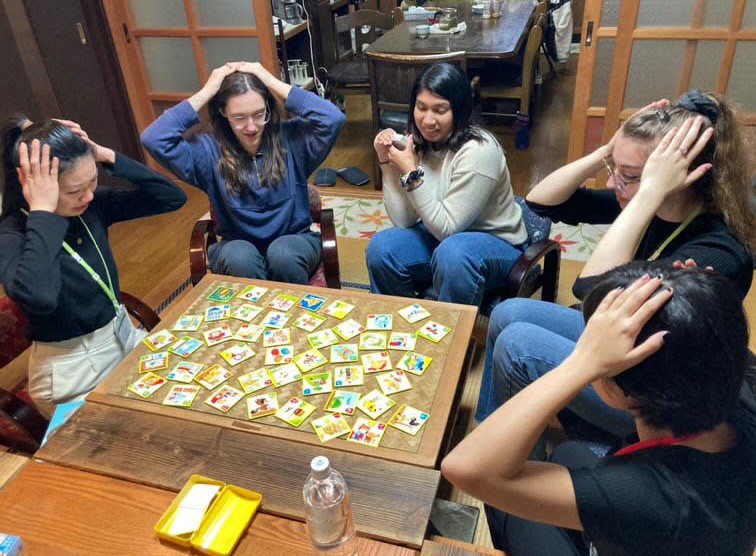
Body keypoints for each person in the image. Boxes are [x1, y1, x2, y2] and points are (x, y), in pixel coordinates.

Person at [476, 90, 754, 438]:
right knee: (508, 312)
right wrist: (607, 151)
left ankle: (512, 471)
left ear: (684, 175)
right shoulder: (657, 206)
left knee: (518, 343)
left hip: (657, 401)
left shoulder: (720, 251)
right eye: (615, 170)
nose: (613, 183)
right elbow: (540, 202)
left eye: (630, 175)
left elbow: (591, 291)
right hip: (623, 347)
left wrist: (648, 193)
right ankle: (489, 430)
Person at [444, 263, 756, 556]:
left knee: (506, 504)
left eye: (599, 360)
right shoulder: (729, 388)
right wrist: (703, 306)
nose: (585, 348)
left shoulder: (652, 495)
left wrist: (582, 363)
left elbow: (467, 468)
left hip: (668, 524)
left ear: (628, 392)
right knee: (568, 455)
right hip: (698, 529)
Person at [0, 116, 187, 414]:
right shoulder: (11, 234)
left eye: (93, 182)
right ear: (30, 183)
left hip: (124, 335)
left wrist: (104, 155)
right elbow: (39, 296)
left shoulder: (89, 205)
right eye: (75, 191)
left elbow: (172, 198)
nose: (88, 196)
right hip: (71, 373)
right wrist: (42, 212)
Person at [141, 61, 346, 284]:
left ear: (268, 108)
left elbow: (333, 118)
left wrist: (269, 80)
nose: (251, 127)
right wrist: (209, 90)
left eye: (259, 114)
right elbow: (154, 138)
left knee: (282, 254)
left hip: (295, 240)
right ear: (222, 112)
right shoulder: (207, 150)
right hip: (236, 246)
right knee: (241, 257)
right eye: (239, 118)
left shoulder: (292, 138)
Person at [366, 63, 528, 306]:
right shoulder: (419, 142)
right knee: (382, 248)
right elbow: (403, 221)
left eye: (440, 110)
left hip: (497, 243)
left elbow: (447, 229)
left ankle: (448, 337)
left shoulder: (479, 152)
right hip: (442, 238)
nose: (428, 120)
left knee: (453, 253)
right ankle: (405, 327)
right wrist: (387, 161)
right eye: (421, 108)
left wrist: (411, 173)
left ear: (459, 110)